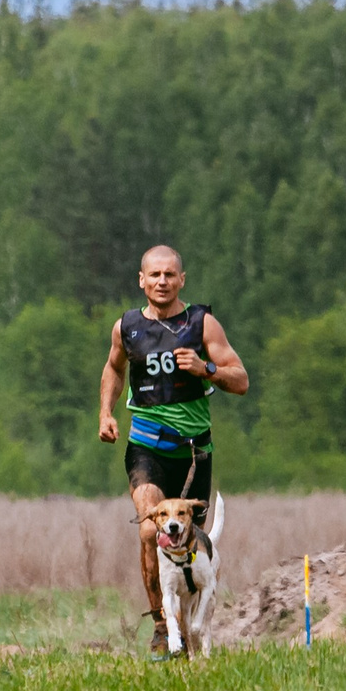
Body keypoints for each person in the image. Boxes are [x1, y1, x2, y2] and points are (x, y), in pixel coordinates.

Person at [97, 244, 248, 655]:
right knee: (152, 529)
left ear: (181, 280)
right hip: (146, 446)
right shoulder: (126, 327)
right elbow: (114, 367)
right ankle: (163, 627)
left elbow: (241, 379)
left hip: (194, 452)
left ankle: (191, 627)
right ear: (141, 280)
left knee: (188, 543)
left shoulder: (202, 324)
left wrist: (206, 369)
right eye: (154, 275)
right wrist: (106, 413)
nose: (162, 282)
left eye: (169, 275)